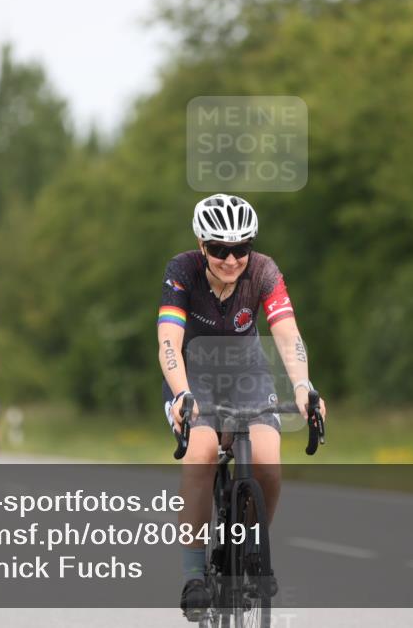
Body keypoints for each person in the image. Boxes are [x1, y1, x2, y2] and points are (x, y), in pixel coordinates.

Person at [157, 194, 327, 620]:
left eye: (241, 248)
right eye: (219, 249)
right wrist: (181, 394)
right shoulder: (182, 271)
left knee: (268, 460)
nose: (231, 260)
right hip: (193, 374)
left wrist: (303, 387)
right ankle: (194, 575)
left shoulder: (264, 271)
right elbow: (169, 341)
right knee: (201, 453)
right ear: (202, 245)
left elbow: (287, 334)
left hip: (247, 374)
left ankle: (251, 545)